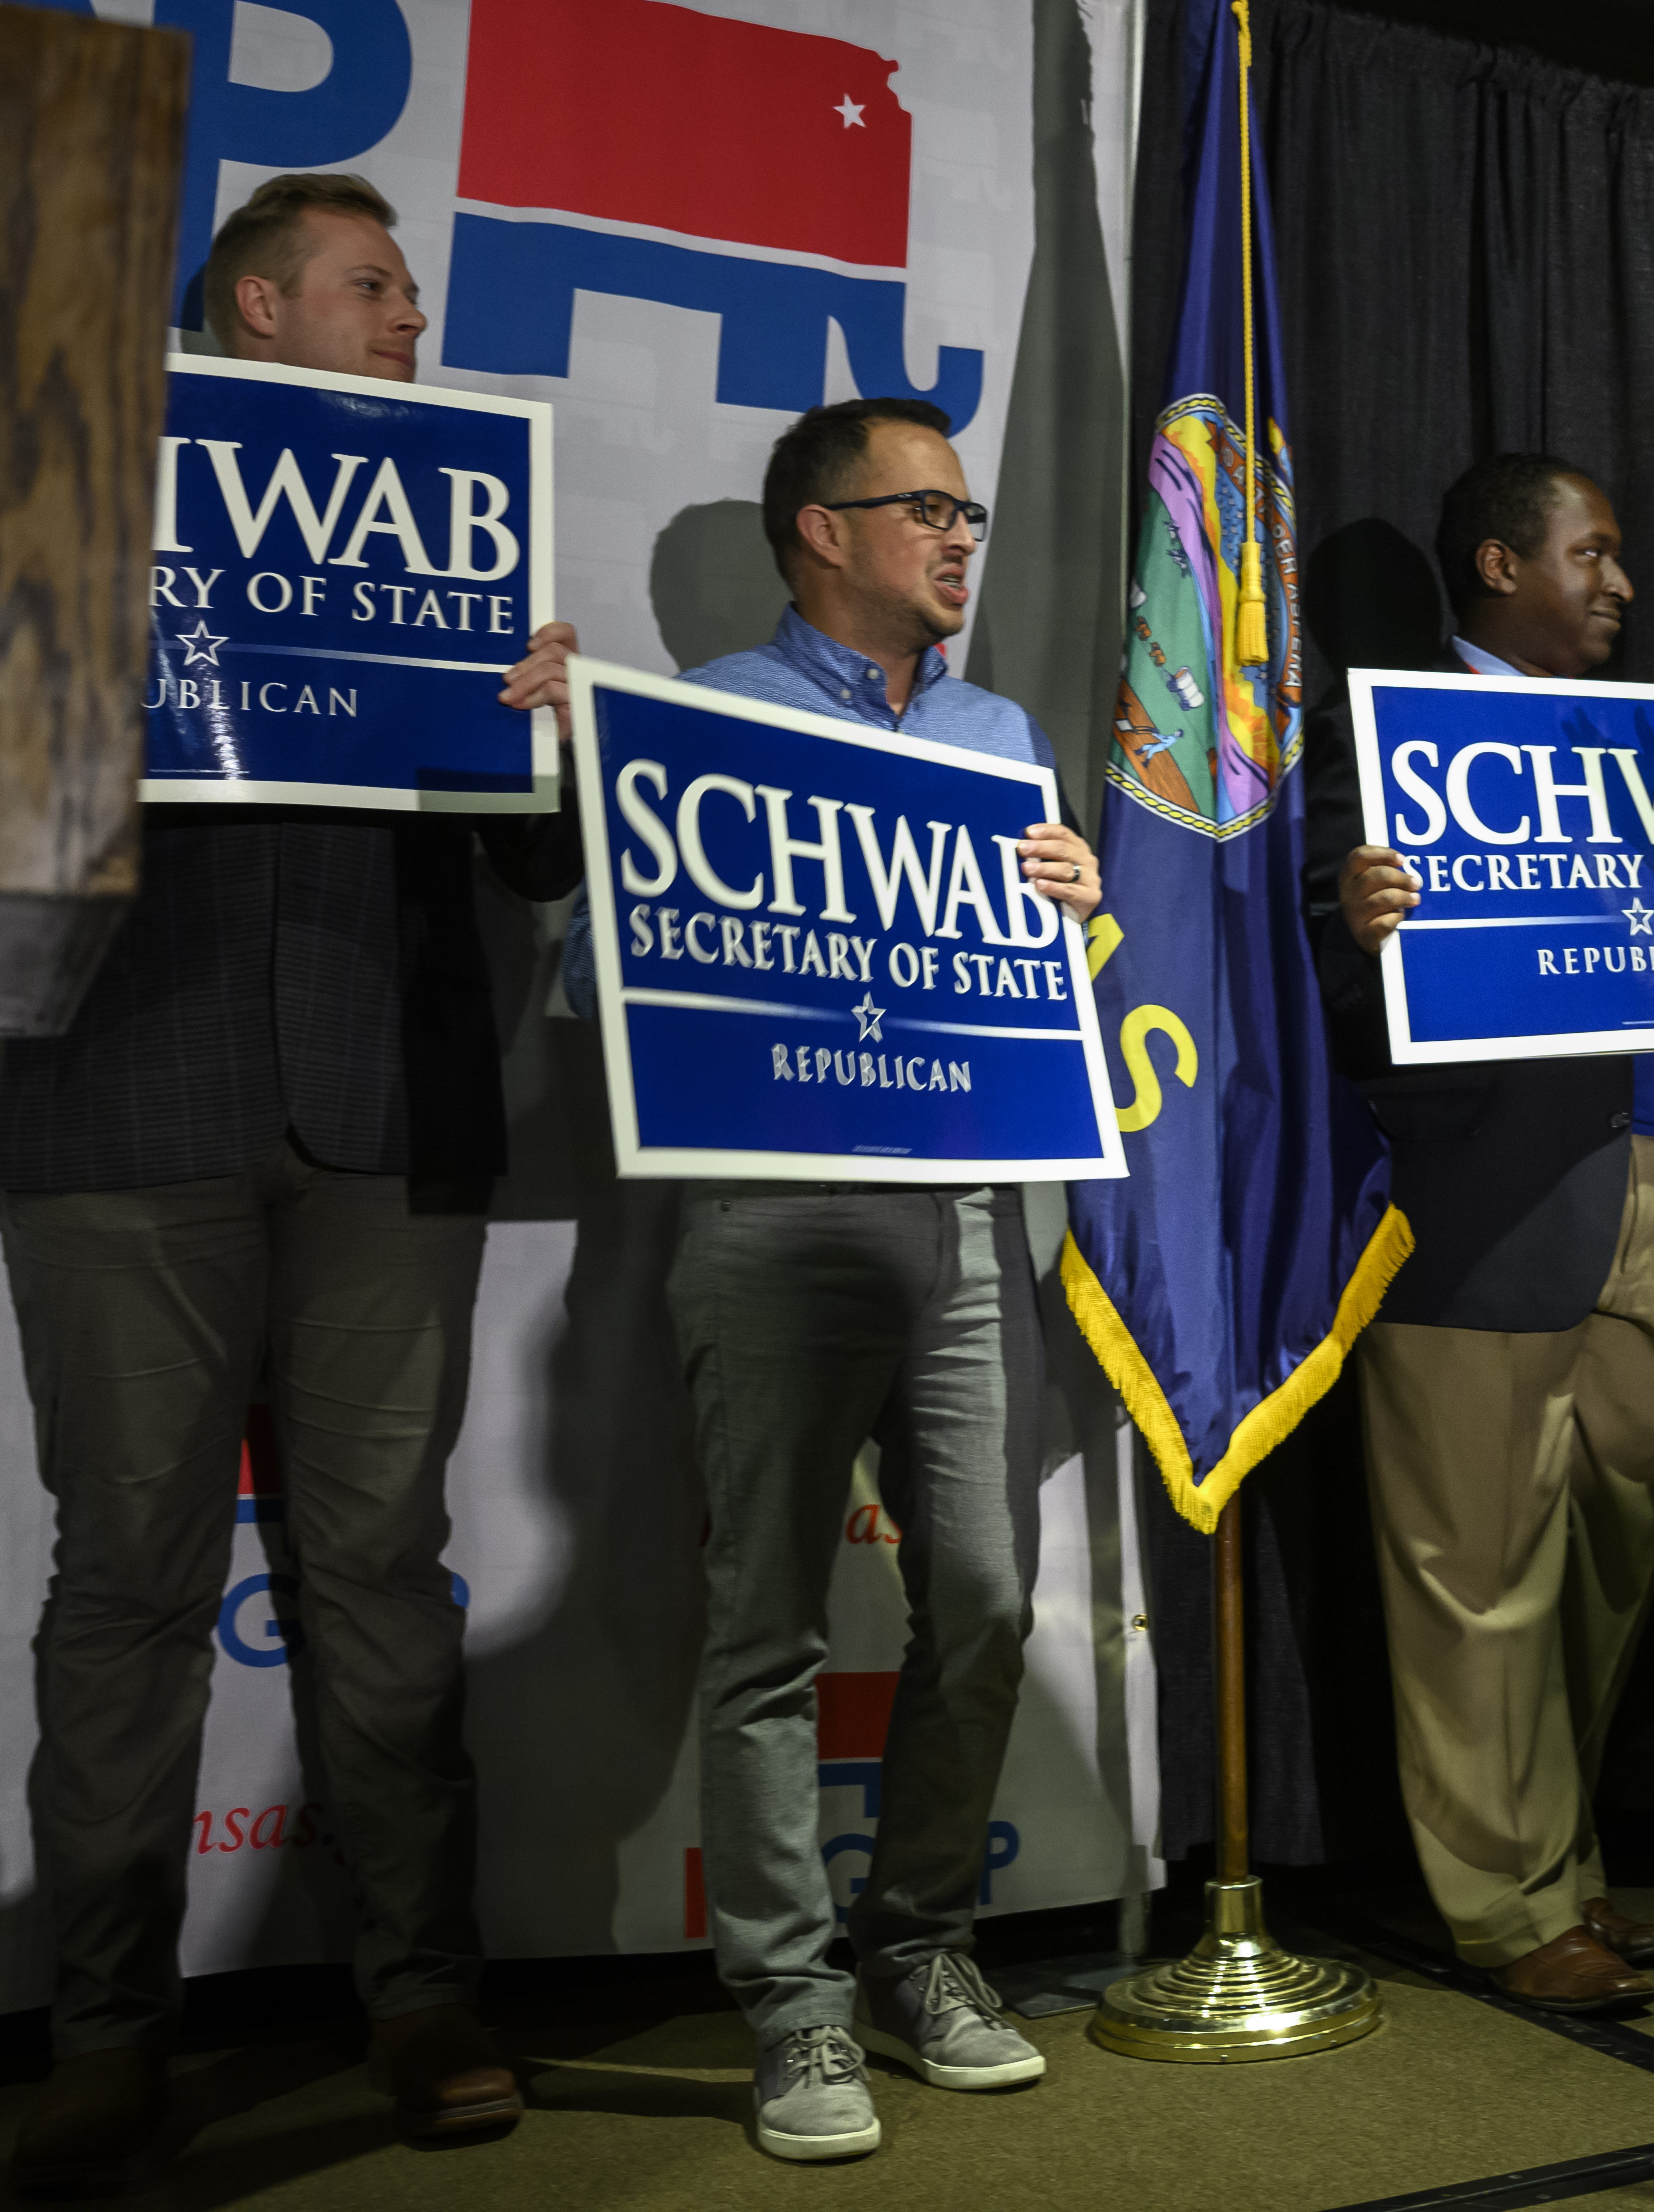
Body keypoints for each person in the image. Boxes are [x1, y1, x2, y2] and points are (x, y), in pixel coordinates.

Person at [0, 172, 578, 2195]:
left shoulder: (459, 544)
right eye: (372, 286)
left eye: (411, 292)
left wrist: (544, 740)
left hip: (387, 1114)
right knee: (129, 1586)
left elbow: (544, 870)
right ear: (260, 306)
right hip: (112, 1107)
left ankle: (420, 1989)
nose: (409, 315)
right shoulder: (78, 500)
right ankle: (103, 2031)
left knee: (380, 1577)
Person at [548, 396, 1100, 2162]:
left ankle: (920, 1951)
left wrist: (1074, 906)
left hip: (954, 1220)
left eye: (970, 509)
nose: (959, 537)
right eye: (924, 507)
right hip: (776, 1220)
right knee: (767, 1628)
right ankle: (792, 2007)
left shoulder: (999, 727)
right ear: (822, 532)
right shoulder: (711, 714)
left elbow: (1034, 995)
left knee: (988, 1600)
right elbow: (584, 984)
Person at [1326, 456, 1654, 2014]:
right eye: (1594, 555)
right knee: (1475, 1570)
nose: (1622, 584)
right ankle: (1498, 1907)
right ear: (1500, 563)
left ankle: (1565, 1866)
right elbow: (1327, 994)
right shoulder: (1392, 743)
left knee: (1609, 1561)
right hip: (1484, 1208)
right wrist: (1360, 928)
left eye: (1621, 557)